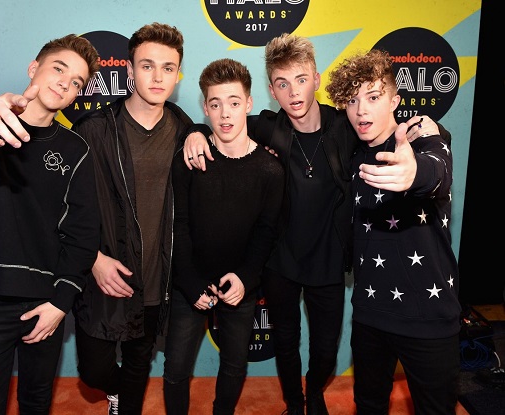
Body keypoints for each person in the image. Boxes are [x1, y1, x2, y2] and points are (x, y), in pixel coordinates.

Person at [182, 34, 448, 415]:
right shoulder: (268, 127)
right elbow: (223, 120)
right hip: (281, 261)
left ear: (317, 80)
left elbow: (405, 137)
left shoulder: (347, 125)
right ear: (271, 90)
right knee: (285, 342)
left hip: (328, 261)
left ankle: (315, 389)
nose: (293, 92)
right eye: (282, 83)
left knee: (325, 350)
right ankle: (295, 403)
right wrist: (193, 133)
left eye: (301, 79)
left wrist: (429, 134)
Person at [0, 34, 101, 415]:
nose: (65, 83)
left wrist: (60, 303)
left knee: (36, 403)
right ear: (33, 68)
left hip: (45, 303)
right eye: (58, 69)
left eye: (76, 82)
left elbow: (82, 235)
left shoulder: (76, 150)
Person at [326, 48, 461, 415]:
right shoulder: (353, 153)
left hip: (429, 316)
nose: (361, 110)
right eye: (352, 101)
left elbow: (437, 169)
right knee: (368, 406)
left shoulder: (422, 137)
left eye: (373, 97)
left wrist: (414, 174)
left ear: (394, 101)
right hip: (370, 314)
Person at [69, 22, 194, 415]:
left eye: (168, 68)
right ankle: (115, 391)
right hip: (104, 276)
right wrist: (93, 259)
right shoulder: (92, 130)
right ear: (129, 70)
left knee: (140, 362)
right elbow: (64, 207)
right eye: (147, 65)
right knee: (94, 371)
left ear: (178, 74)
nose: (157, 77)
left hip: (157, 278)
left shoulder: (185, 131)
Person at [163, 58, 284, 415]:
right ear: (205, 108)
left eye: (233, 102)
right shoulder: (190, 160)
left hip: (240, 285)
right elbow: (178, 224)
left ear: (248, 103)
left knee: (234, 365)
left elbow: (266, 232)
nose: (225, 114)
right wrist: (189, 282)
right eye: (215, 104)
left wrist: (246, 278)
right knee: (175, 369)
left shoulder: (270, 169)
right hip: (190, 282)